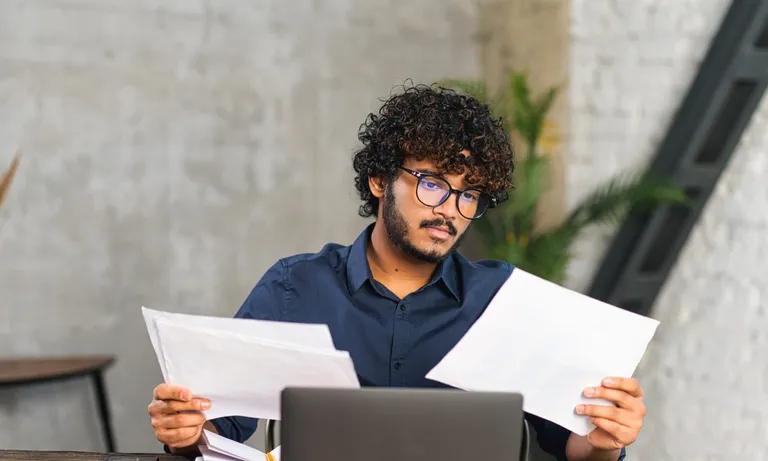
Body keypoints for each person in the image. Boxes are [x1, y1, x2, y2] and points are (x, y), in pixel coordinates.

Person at [147, 84, 645, 460]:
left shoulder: (502, 299)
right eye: (432, 184)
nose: (449, 209)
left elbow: (569, 446)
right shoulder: (295, 287)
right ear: (380, 180)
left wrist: (603, 442)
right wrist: (185, 433)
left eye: (468, 194)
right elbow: (217, 431)